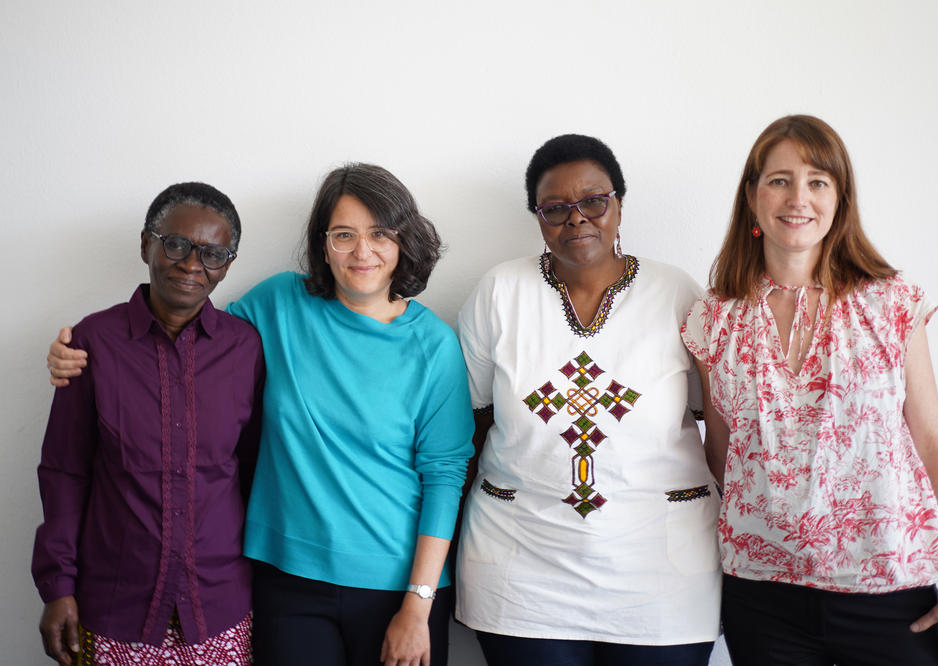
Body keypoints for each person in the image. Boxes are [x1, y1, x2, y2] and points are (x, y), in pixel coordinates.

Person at [48, 163, 474, 666]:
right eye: (344, 235)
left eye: (380, 233)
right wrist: (79, 351)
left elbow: (445, 476)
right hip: (286, 583)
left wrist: (418, 604)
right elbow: (186, 341)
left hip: (399, 586)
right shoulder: (278, 304)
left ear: (404, 241)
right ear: (322, 244)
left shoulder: (434, 345)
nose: (363, 252)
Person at [681, 114, 938, 666]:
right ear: (751, 197)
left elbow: (933, 438)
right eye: (779, 180)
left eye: (818, 181)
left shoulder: (892, 304)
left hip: (887, 592)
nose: (798, 197)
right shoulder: (713, 319)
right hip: (762, 595)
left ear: (839, 199)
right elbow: (721, 452)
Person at [455, 134, 721, 666]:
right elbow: (472, 420)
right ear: (537, 217)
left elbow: (711, 418)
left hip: (660, 571)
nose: (576, 220)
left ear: (619, 204)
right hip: (523, 565)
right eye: (555, 208)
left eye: (594, 202)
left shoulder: (678, 295)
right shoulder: (500, 292)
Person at [33, 182, 264, 666]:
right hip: (115, 604)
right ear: (146, 244)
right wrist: (58, 585)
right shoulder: (92, 342)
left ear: (228, 265)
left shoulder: (246, 349)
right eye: (176, 244)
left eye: (213, 253)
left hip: (218, 605)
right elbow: (64, 472)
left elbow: (250, 469)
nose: (191, 264)